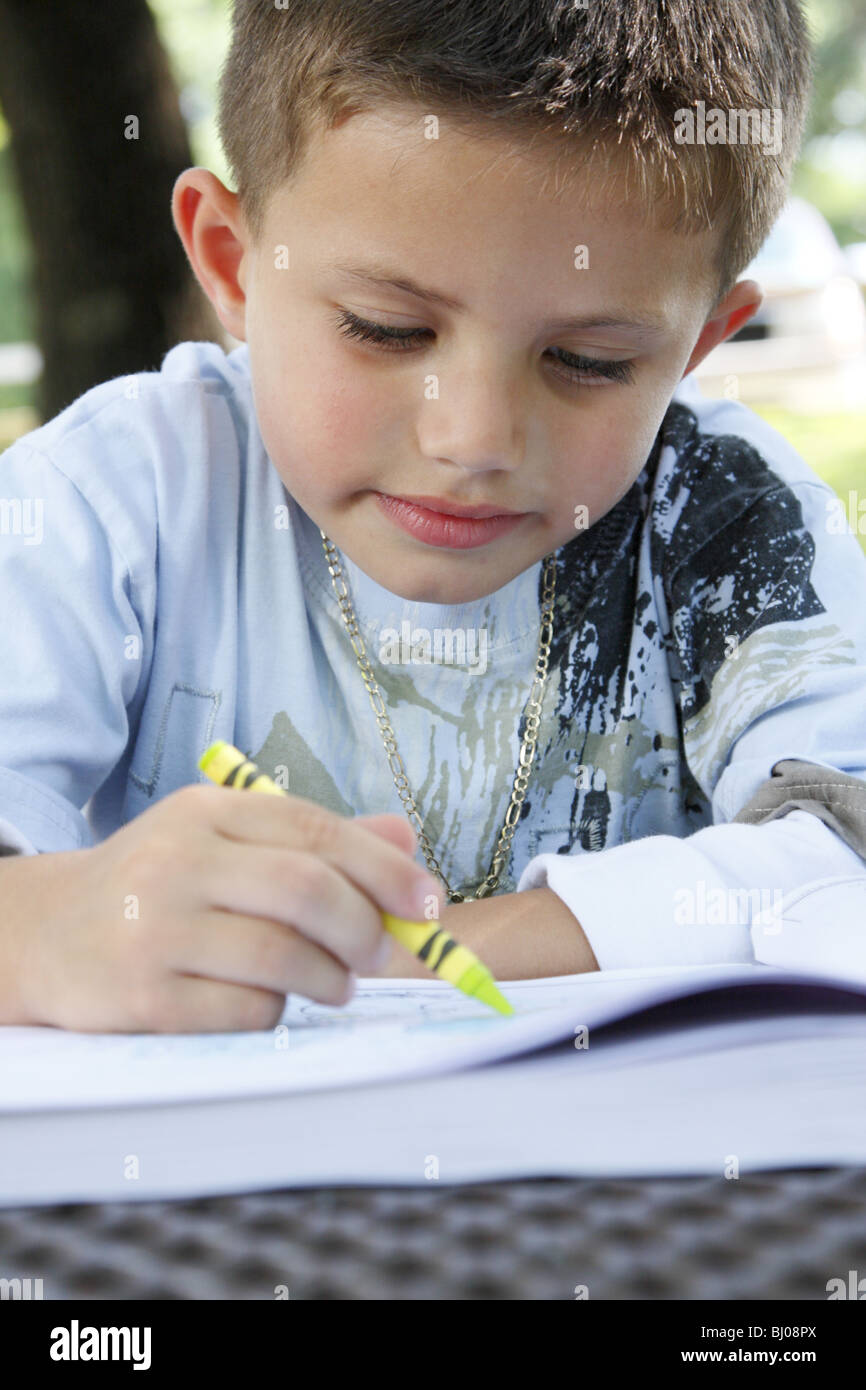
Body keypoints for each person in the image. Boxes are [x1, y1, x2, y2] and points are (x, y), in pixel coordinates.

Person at [1, 0, 864, 1033]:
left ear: (694, 345)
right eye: (387, 328)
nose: (473, 438)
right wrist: (46, 932)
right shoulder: (118, 494)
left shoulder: (728, 514)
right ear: (233, 263)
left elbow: (842, 846)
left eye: (586, 361)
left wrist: (395, 957)